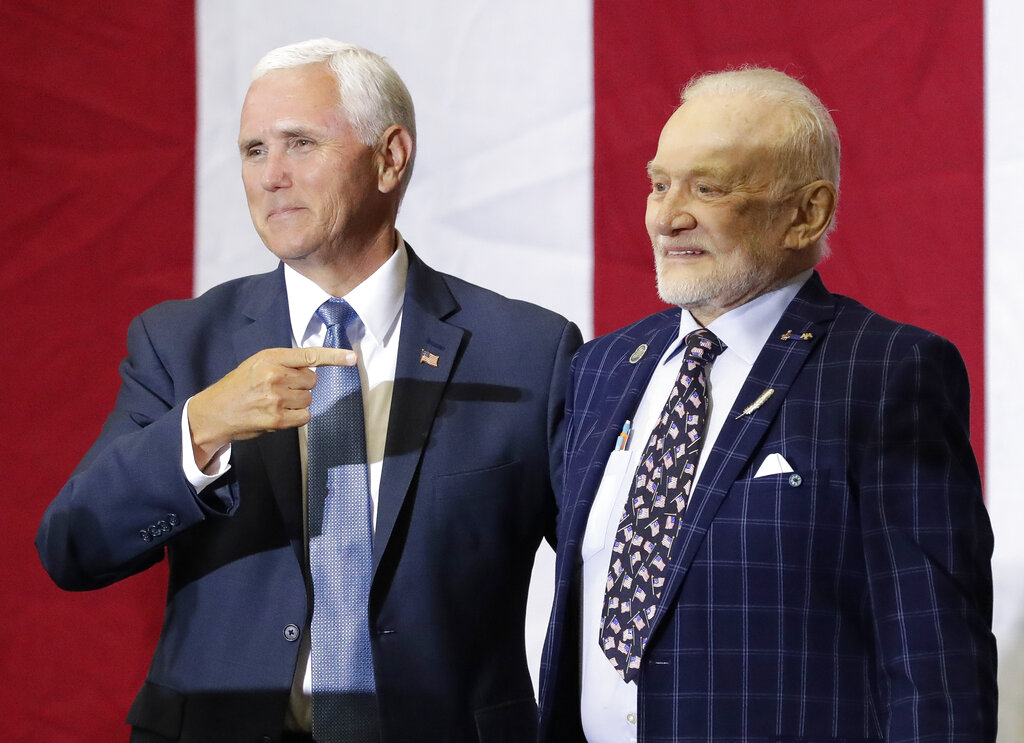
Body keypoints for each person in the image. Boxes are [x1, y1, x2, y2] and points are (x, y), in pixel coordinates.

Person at [37, 38, 581, 743]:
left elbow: (602, 572)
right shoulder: (179, 343)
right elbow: (73, 547)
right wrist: (200, 429)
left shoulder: (528, 351)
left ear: (391, 157)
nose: (271, 176)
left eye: (300, 143)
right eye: (254, 150)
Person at [537, 67, 996, 742]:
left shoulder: (887, 371)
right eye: (660, 184)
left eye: (709, 187)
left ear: (806, 212)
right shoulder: (601, 367)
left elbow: (934, 660)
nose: (668, 216)